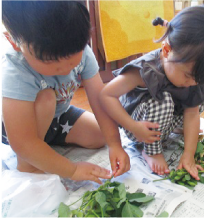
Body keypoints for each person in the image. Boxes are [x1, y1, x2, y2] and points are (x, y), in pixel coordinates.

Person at [1, 0, 130, 184]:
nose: (65, 69)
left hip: (58, 115)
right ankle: (28, 165)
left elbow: (99, 100)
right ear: (14, 42)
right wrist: (73, 170)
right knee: (46, 98)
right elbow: (22, 142)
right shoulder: (15, 69)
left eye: (72, 59)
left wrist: (115, 144)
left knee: (100, 135)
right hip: (20, 126)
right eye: (52, 62)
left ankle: (43, 146)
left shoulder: (81, 50)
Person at [100, 6, 204, 179]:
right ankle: (152, 152)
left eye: (199, 78)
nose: (192, 83)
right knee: (163, 101)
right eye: (188, 76)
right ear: (166, 50)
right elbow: (106, 95)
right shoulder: (145, 70)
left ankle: (175, 128)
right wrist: (133, 126)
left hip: (165, 120)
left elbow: (192, 113)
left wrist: (188, 154)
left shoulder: (194, 75)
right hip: (139, 126)